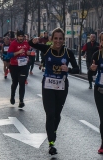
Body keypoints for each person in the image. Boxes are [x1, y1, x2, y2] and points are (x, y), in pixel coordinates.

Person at [28, 27, 79, 155]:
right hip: (48, 86)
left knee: (57, 114)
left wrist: (69, 70)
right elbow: (30, 44)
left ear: (63, 40)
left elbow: (77, 69)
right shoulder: (47, 49)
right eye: (55, 38)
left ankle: (52, 132)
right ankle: (51, 143)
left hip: (62, 87)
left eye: (60, 39)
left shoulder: (68, 52)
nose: (58, 41)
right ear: (52, 39)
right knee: (50, 114)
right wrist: (33, 40)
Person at [6, 30, 31, 108]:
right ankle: (12, 97)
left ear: (23, 36)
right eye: (19, 36)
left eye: (22, 36)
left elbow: (29, 51)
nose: (20, 38)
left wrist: (29, 53)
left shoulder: (26, 43)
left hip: (23, 66)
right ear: (17, 37)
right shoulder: (13, 44)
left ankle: (21, 101)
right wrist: (18, 52)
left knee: (22, 82)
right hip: (14, 66)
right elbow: (9, 55)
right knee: (15, 83)